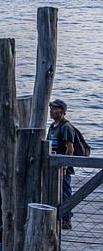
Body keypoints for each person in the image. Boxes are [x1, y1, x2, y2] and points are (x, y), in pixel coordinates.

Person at [48, 98, 76, 229]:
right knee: (54, 191)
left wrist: (65, 166)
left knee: (65, 192)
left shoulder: (66, 127)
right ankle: (56, 217)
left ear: (63, 111)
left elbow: (70, 149)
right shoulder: (52, 126)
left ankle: (67, 219)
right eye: (51, 108)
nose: (52, 111)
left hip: (63, 166)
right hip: (52, 165)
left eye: (55, 108)